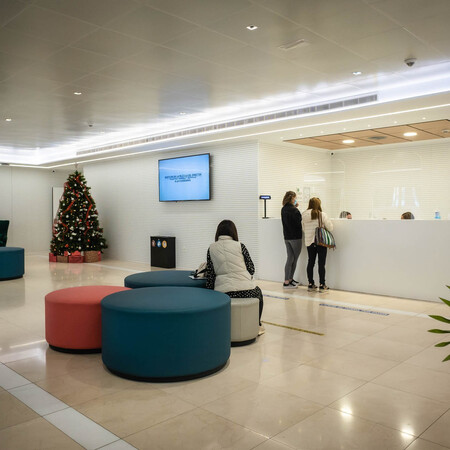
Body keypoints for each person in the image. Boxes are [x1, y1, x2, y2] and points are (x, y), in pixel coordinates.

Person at [205, 220, 265, 335]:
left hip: (224, 292)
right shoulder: (240, 246)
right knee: (259, 293)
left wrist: (210, 293)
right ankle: (257, 325)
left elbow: (211, 275)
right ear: (233, 232)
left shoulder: (211, 248)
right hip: (247, 290)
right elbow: (251, 269)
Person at [302, 197, 333, 292]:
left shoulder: (304, 215)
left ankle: (310, 284)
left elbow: (303, 229)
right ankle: (322, 284)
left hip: (309, 241)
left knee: (310, 262)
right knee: (321, 263)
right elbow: (330, 228)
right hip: (320, 242)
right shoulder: (322, 214)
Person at [281, 191, 302, 289]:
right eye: (295, 198)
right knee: (294, 259)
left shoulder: (283, 209)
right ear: (292, 198)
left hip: (287, 237)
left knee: (290, 258)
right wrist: (296, 208)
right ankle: (289, 280)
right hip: (296, 237)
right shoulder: (294, 210)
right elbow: (298, 222)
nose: (296, 199)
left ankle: (287, 280)